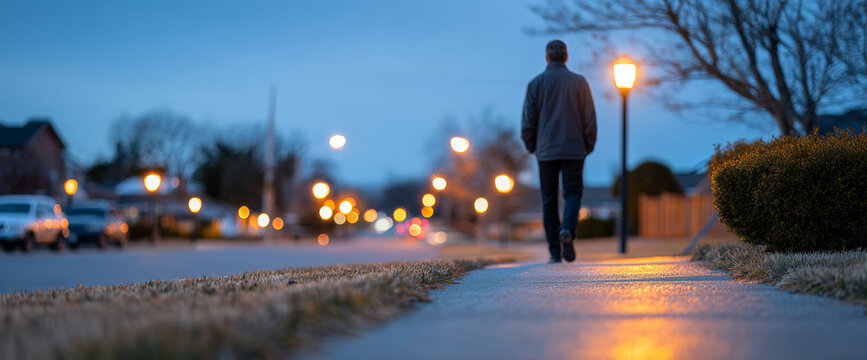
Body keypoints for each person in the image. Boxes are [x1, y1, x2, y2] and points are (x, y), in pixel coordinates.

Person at [521, 40, 597, 263]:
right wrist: (587, 145)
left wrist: (532, 146)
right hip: (574, 148)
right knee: (573, 192)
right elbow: (590, 118)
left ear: (547, 58)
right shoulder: (580, 82)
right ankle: (567, 230)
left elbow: (528, 121)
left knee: (549, 199)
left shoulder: (535, 84)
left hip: (545, 151)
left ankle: (555, 252)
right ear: (566, 57)